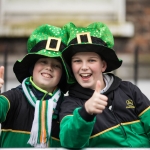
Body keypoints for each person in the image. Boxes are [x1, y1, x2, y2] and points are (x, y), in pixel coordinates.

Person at [59, 22, 150, 148]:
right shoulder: (70, 103)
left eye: (91, 60)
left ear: (103, 65)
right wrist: (85, 112)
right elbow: (69, 141)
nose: (84, 67)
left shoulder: (129, 90)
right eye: (77, 61)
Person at [0, 24, 74, 148]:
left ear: (62, 74)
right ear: (32, 67)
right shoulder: (13, 97)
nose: (49, 68)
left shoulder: (67, 106)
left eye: (56, 65)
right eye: (43, 61)